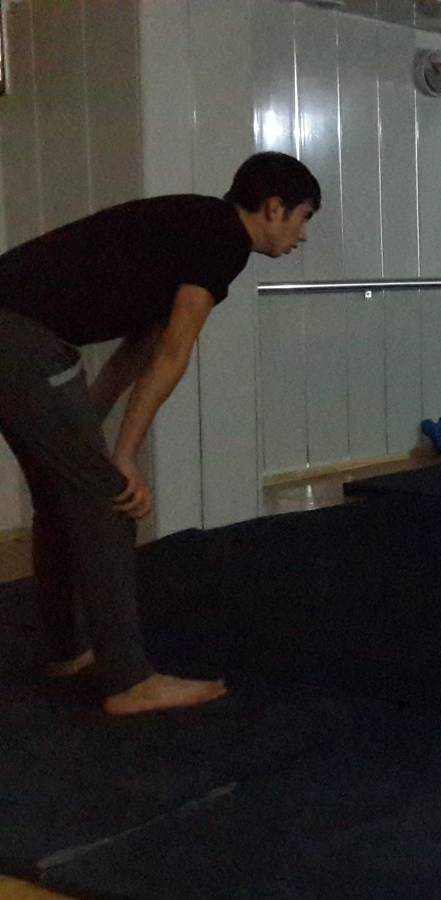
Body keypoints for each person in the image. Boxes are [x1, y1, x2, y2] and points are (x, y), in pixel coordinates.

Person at [0, 151, 319, 715]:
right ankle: (128, 682)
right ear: (274, 209)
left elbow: (138, 350)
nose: (303, 234)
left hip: (13, 334)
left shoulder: (191, 227)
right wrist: (123, 457)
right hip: (21, 339)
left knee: (61, 493)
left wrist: (94, 430)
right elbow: (173, 355)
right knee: (110, 500)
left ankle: (68, 650)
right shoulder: (223, 241)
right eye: (303, 217)